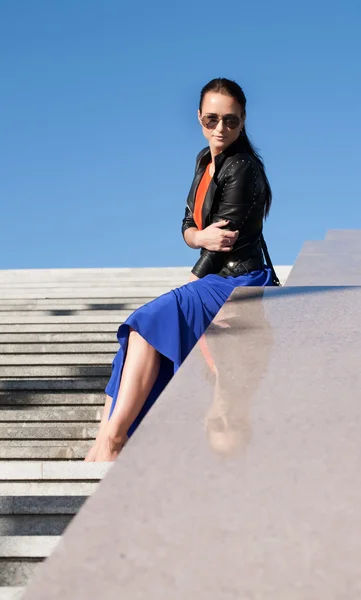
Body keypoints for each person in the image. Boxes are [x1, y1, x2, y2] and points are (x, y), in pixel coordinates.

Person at [85, 77, 278, 462]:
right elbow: (188, 225)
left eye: (230, 120)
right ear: (199, 119)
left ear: (242, 120)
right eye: (212, 119)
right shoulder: (204, 162)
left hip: (238, 279)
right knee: (137, 333)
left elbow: (223, 239)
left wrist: (196, 258)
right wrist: (196, 237)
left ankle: (113, 441)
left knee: (146, 324)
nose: (220, 128)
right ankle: (103, 443)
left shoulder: (243, 168)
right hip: (215, 277)